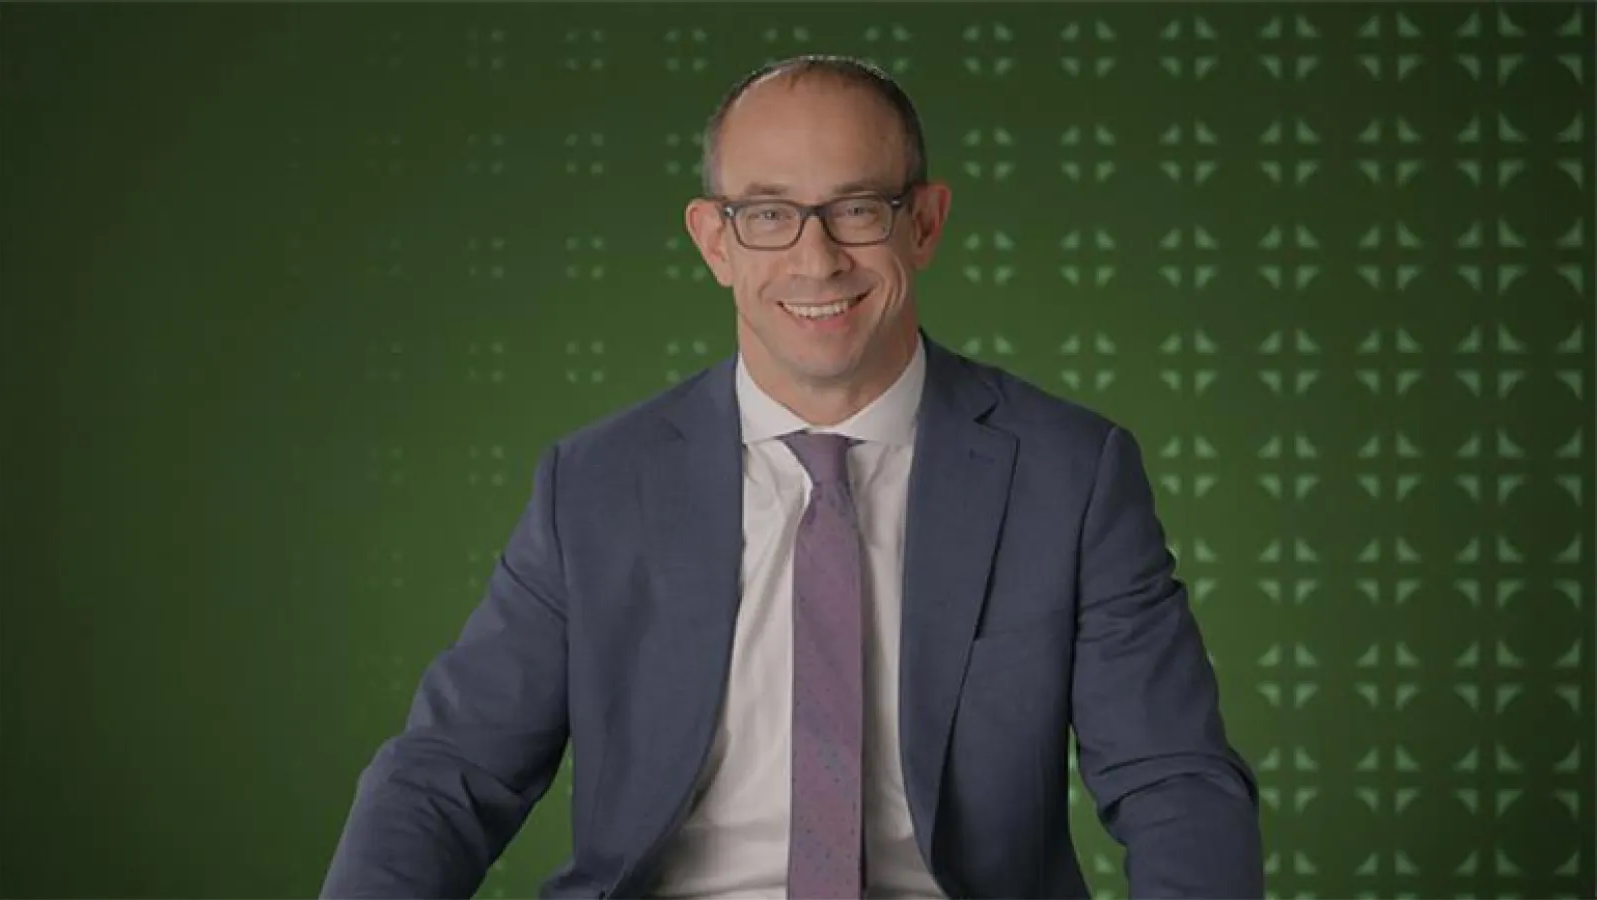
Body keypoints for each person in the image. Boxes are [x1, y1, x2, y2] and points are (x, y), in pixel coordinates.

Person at [319, 54, 1264, 900]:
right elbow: (450, 772)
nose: (816, 259)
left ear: (924, 223)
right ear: (714, 240)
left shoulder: (1072, 474)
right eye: (768, 214)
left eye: (859, 209)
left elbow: (1173, 779)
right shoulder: (595, 484)